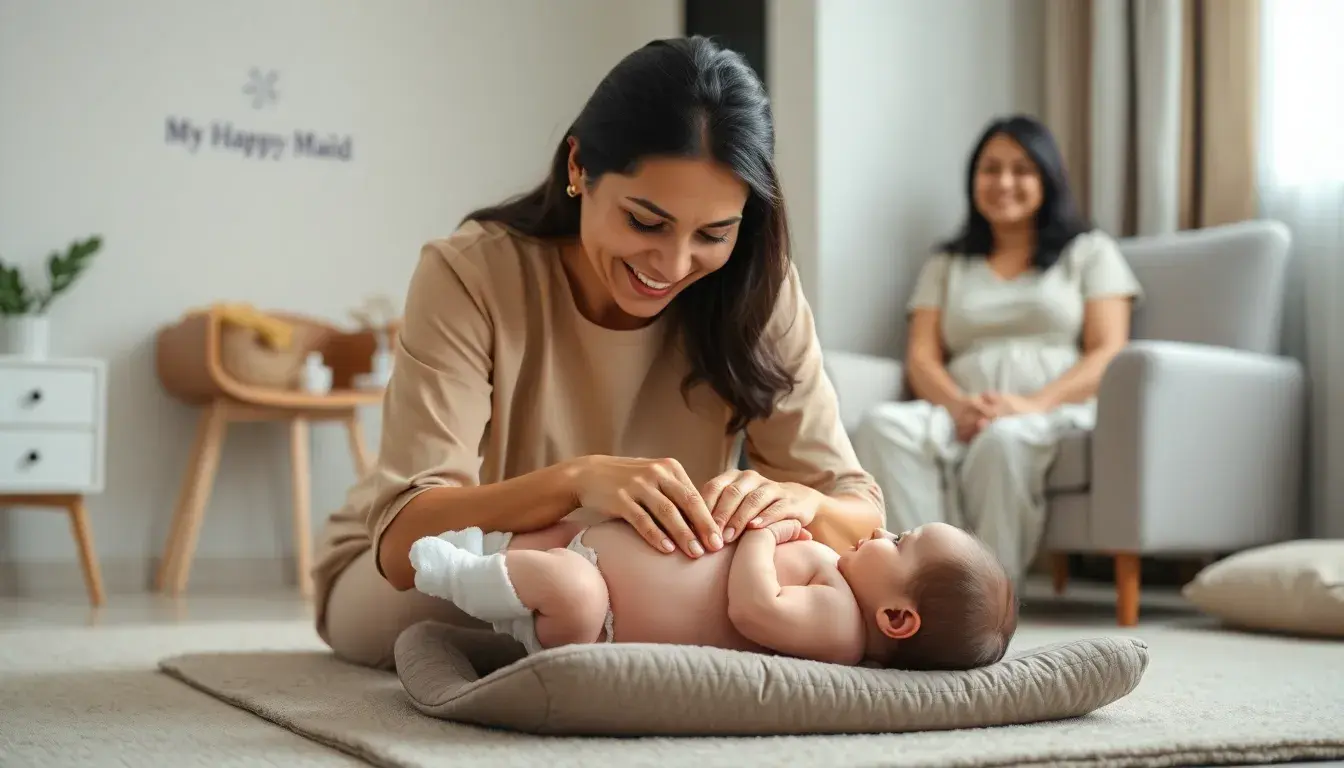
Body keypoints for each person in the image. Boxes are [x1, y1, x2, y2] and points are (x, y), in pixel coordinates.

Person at [310, 36, 885, 670]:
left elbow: (859, 516)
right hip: (439, 561)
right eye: (645, 221)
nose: (672, 264)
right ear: (578, 169)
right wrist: (576, 483)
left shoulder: (758, 293)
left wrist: (806, 502)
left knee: (849, 599)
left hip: (634, 582)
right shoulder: (470, 274)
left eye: (713, 234)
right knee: (541, 600)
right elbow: (404, 540)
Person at [851, 115, 1143, 583]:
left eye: (1022, 169)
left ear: (1048, 178)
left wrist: (1029, 404)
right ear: (973, 180)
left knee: (1003, 442)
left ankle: (987, 594)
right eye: (990, 169)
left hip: (1052, 409)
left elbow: (1108, 351)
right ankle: (920, 581)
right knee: (881, 426)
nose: (1004, 182)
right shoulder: (947, 262)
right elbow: (922, 357)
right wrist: (958, 406)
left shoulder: (1089, 251)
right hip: (959, 408)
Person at [409, 515, 1016, 671]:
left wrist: (758, 538)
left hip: (600, 618)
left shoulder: (840, 626)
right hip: (595, 550)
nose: (882, 531)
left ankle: (460, 578)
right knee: (564, 540)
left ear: (897, 618)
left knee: (573, 588)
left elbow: (752, 608)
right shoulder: (835, 574)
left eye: (901, 541)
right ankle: (490, 553)